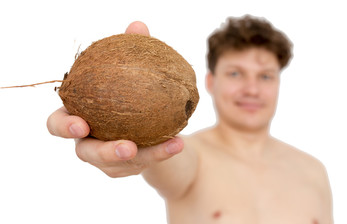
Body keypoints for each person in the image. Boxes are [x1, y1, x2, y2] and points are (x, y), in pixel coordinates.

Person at [47, 16, 333, 224]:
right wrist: (139, 150)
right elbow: (168, 160)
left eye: (265, 76)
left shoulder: (314, 171)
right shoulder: (193, 157)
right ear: (210, 81)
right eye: (235, 73)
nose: (252, 89)